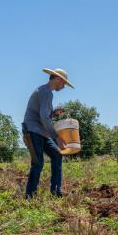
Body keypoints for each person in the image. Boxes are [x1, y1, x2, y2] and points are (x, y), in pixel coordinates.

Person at [22, 68, 75, 198]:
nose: (63, 87)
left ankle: (56, 191)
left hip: (41, 132)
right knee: (38, 162)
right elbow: (44, 118)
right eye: (64, 84)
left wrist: (54, 113)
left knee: (57, 155)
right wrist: (56, 137)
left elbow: (45, 115)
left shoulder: (44, 91)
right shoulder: (46, 93)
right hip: (33, 131)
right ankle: (30, 195)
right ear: (58, 79)